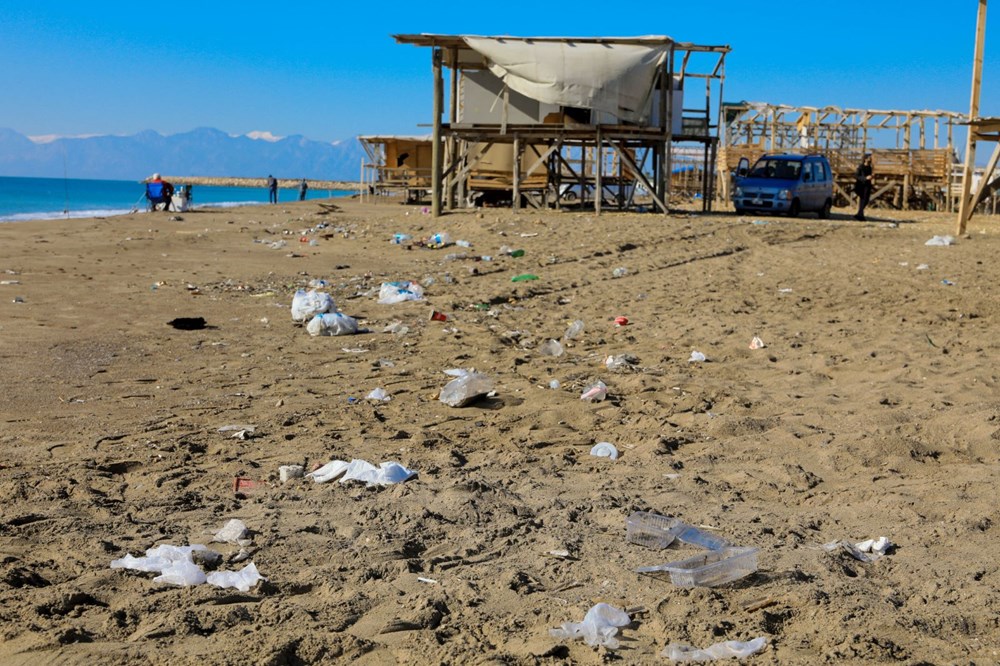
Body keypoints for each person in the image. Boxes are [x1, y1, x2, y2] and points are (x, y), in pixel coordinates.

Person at [854, 154, 874, 221]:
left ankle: (859, 214)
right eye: (869, 158)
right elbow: (857, 176)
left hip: (867, 185)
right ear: (865, 159)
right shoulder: (861, 167)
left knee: (866, 200)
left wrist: (871, 177)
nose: (870, 159)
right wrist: (865, 178)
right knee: (863, 199)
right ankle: (860, 215)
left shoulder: (870, 167)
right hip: (861, 185)